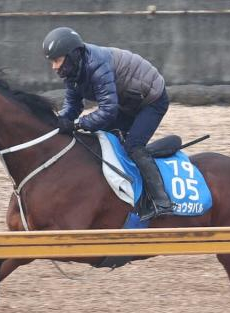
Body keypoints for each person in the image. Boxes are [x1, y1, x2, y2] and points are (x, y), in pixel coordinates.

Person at [42, 27, 174, 220]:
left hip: (151, 100)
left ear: (71, 56)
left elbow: (108, 110)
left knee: (133, 145)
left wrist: (77, 125)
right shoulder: (73, 71)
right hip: (127, 101)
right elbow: (72, 104)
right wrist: (59, 122)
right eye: (52, 61)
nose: (54, 67)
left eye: (57, 60)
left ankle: (162, 201)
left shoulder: (97, 66)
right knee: (102, 140)